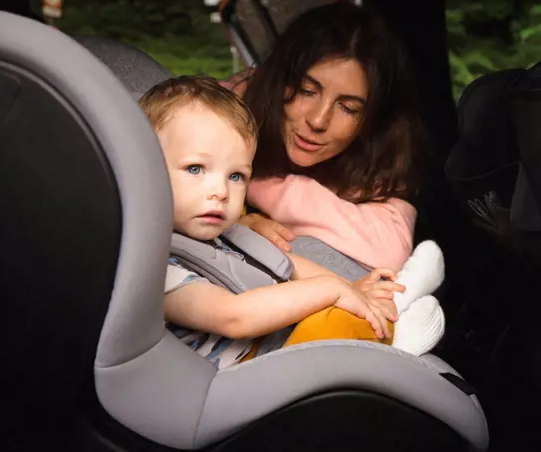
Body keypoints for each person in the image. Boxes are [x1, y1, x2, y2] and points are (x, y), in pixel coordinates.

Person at [138, 75, 406, 369]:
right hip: (227, 385)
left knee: (345, 314)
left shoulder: (228, 234)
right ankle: (401, 337)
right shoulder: (157, 267)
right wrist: (331, 290)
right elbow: (233, 316)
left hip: (267, 351)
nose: (221, 192)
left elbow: (287, 266)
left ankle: (394, 321)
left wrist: (352, 287)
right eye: (195, 168)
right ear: (146, 170)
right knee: (333, 324)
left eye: (236, 176)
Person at [231, 2, 426, 275]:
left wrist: (270, 190)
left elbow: (389, 251)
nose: (318, 120)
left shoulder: (375, 162)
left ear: (371, 120)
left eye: (348, 108)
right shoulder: (228, 110)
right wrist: (234, 227)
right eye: (307, 90)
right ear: (279, 79)